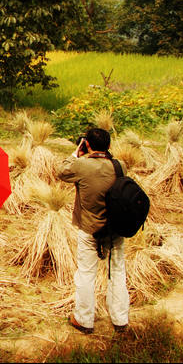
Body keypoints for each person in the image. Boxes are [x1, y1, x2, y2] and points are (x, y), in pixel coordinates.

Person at [58, 127, 130, 335]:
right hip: (115, 229)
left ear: (86, 144)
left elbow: (61, 171)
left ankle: (84, 319)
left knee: (86, 274)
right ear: (108, 145)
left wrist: (76, 153)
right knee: (117, 272)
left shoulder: (81, 166)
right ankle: (120, 319)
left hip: (90, 230)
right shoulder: (120, 166)